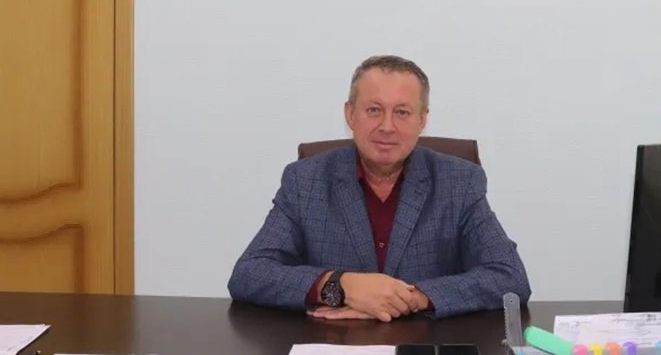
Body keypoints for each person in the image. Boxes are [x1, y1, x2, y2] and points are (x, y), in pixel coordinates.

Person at [227, 55, 531, 320]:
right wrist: (340, 286)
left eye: (402, 112)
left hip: (424, 348)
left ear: (422, 120)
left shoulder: (459, 182)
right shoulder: (305, 181)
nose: (387, 126)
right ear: (350, 114)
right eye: (374, 110)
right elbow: (249, 274)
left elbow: (510, 278)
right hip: (332, 349)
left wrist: (412, 298)